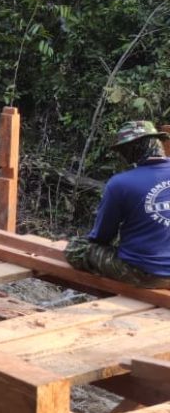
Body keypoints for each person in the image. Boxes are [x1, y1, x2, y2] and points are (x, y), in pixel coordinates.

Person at [65, 121, 170, 288]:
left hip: (145, 274)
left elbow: (101, 237)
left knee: (77, 248)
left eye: (123, 151)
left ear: (133, 149)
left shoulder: (120, 183)